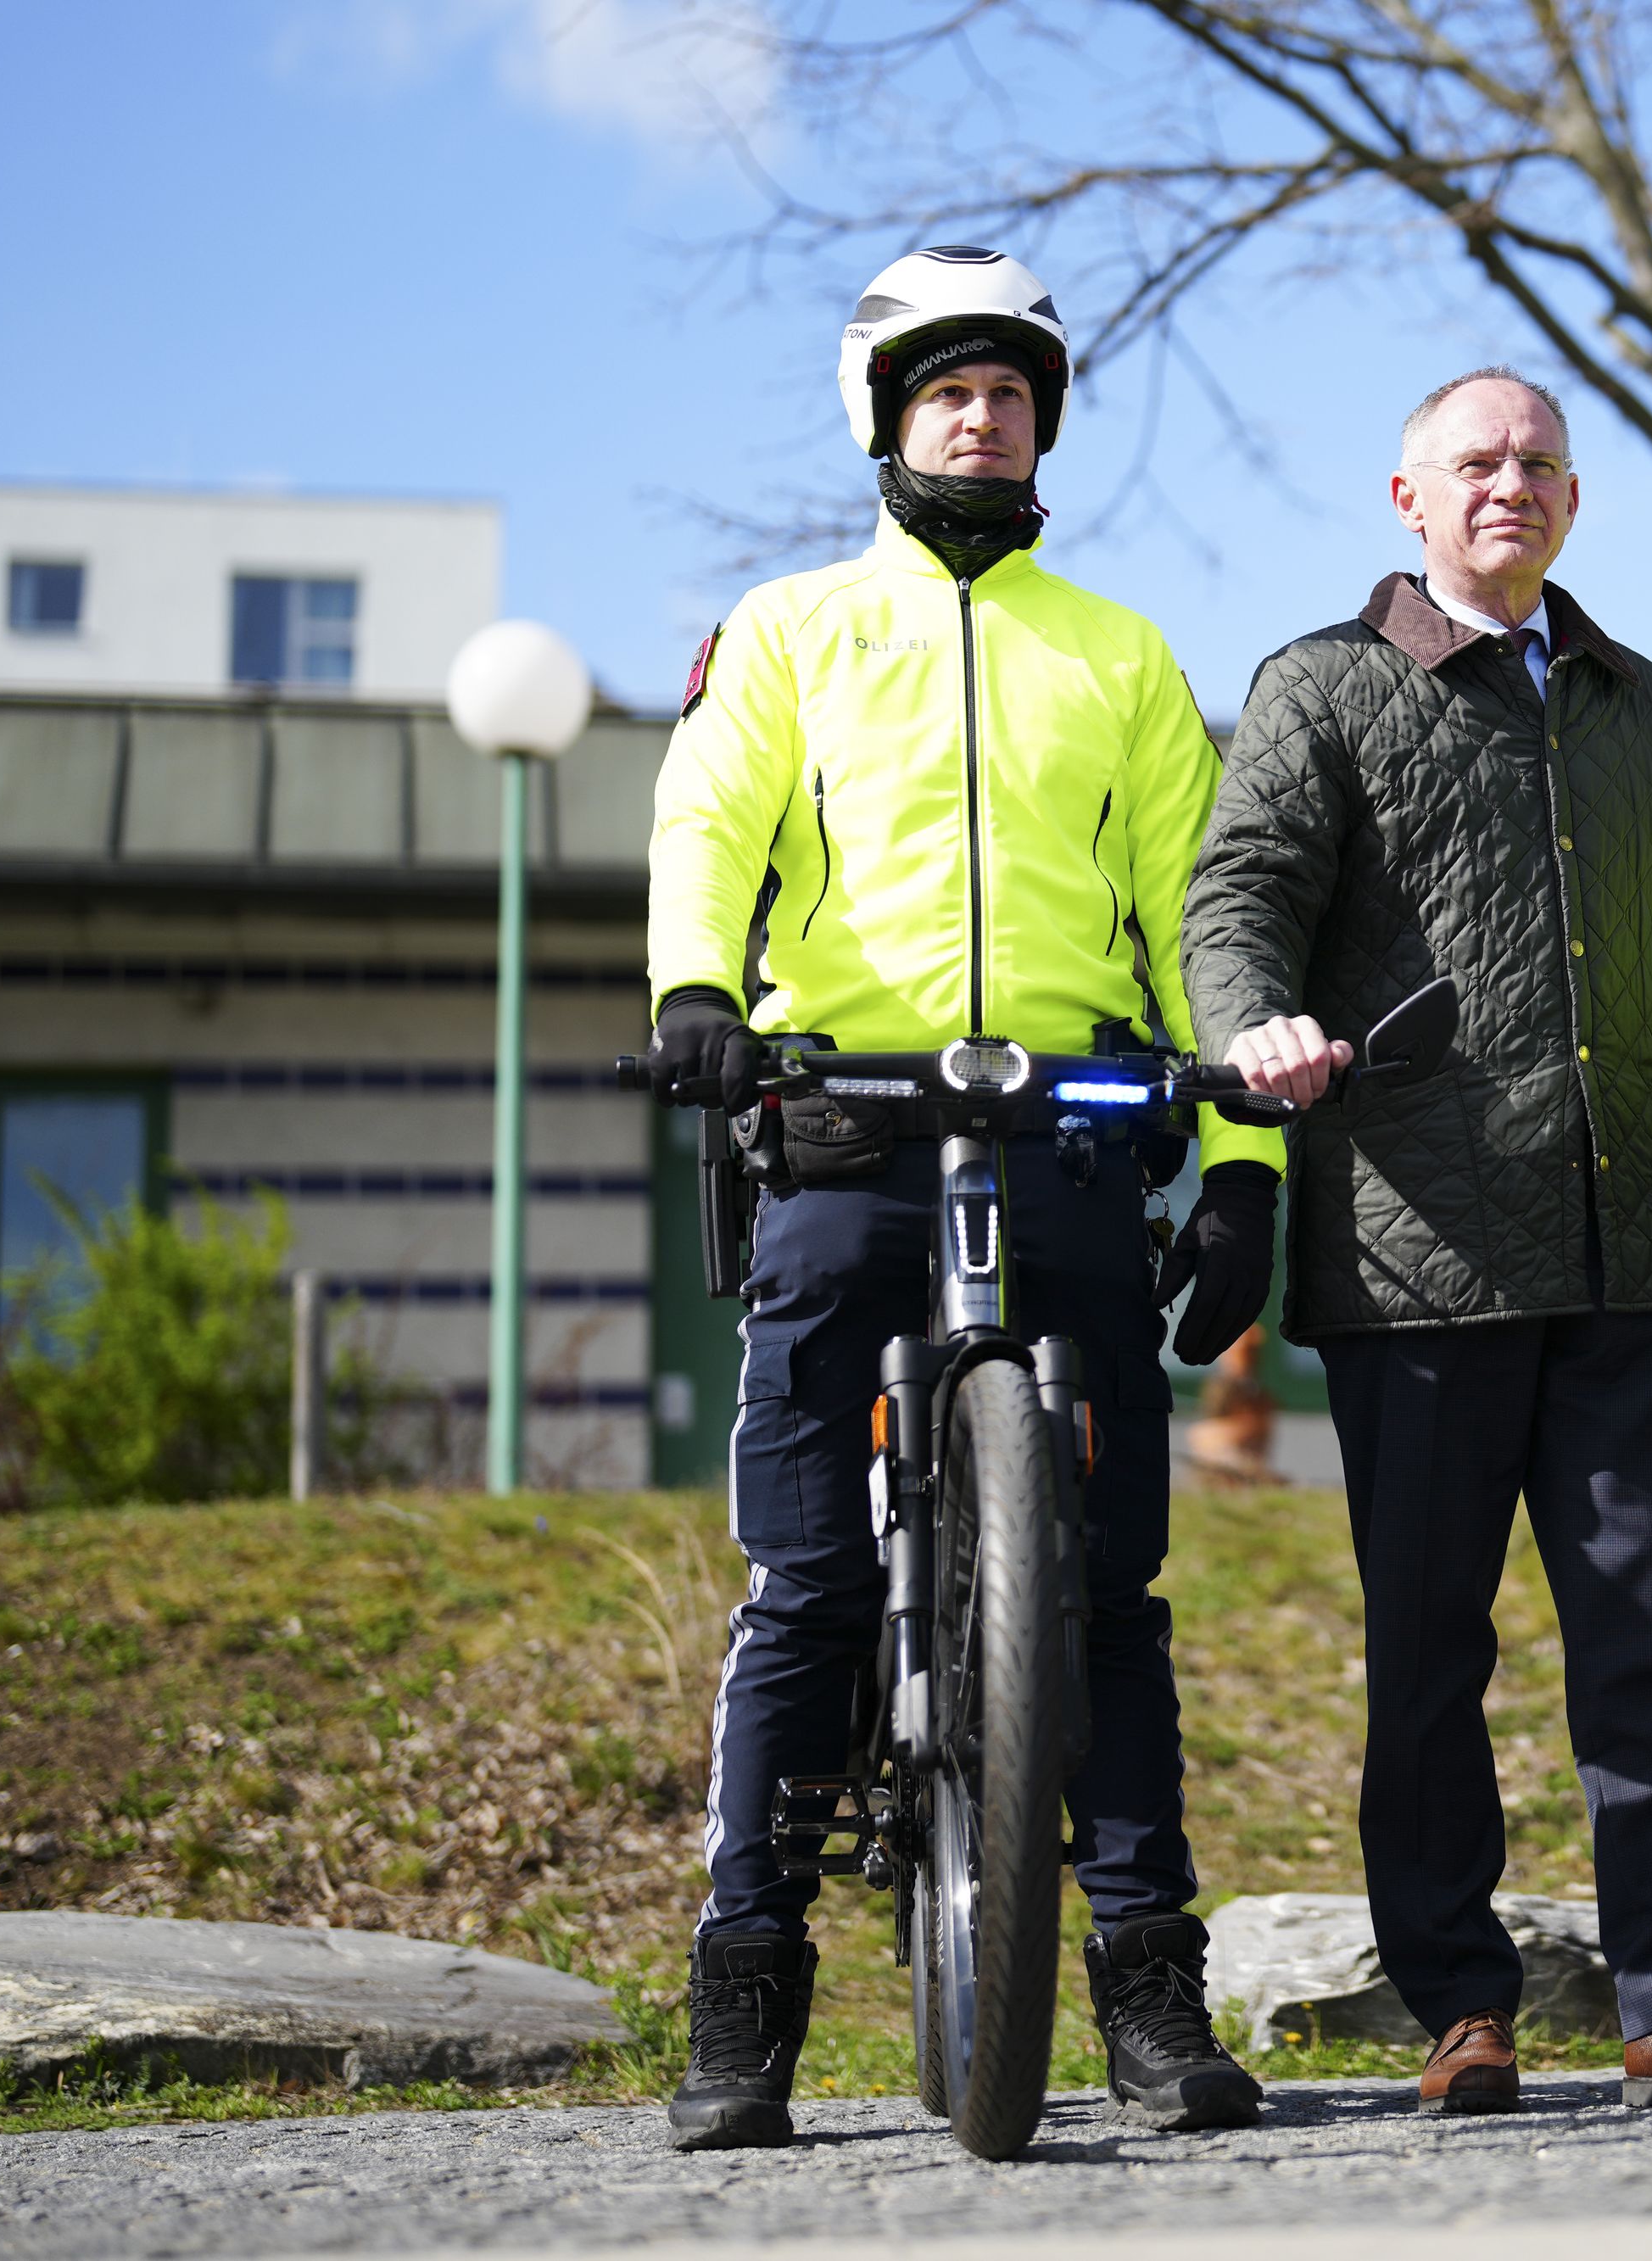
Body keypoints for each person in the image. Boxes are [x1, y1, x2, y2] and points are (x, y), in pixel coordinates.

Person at [643, 246, 1281, 2148]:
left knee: (1113, 1598)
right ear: (887, 418)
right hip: (847, 1127)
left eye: (1009, 390)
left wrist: (1243, 1162)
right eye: (948, 390)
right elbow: (709, 818)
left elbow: (1203, 914)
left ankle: (1148, 1992)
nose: (982, 415)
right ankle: (744, 1995)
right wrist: (695, 991)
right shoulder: (791, 631)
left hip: (1067, 1138)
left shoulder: (1121, 654)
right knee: (807, 1592)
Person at [1186, 366, 1652, 2117]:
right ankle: (1459, 2004)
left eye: (1539, 462)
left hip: (1623, 1248)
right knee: (1429, 1655)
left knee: (1646, 1648)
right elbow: (1240, 893)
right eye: (1475, 462)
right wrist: (1252, 1023)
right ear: (1408, 497)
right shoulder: (1323, 685)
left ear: (1572, 498)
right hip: (1415, 1255)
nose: (1510, 485)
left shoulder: (1636, 702)